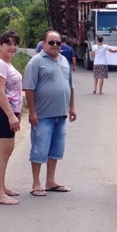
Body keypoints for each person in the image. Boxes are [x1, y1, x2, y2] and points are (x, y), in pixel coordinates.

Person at [23, 29, 77, 195]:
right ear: (43, 43)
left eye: (58, 43)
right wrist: (32, 112)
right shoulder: (36, 62)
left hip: (60, 114)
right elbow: (29, 89)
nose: (55, 45)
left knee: (56, 149)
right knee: (39, 149)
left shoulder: (63, 61)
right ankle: (36, 184)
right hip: (43, 115)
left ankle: (51, 181)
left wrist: (72, 107)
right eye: (51, 42)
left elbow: (70, 86)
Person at [0, 31, 24, 205]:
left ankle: (1, 186)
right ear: (0, 45)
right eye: (8, 44)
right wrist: (10, 115)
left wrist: (16, 114)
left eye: (15, 44)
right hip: (1, 111)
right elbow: (0, 92)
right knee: (2, 152)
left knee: (7, 151)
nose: (12, 47)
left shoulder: (7, 64)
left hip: (8, 111)